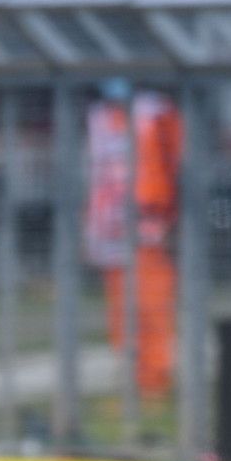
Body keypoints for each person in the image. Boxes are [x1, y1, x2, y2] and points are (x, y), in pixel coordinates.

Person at [86, 81, 182, 397]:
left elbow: (173, 163)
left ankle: (154, 382)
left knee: (152, 307)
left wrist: (165, 212)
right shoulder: (99, 117)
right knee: (121, 312)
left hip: (147, 228)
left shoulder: (157, 113)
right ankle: (131, 384)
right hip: (111, 229)